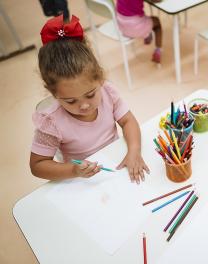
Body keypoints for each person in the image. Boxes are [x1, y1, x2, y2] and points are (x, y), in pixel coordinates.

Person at [30, 15, 150, 184]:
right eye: (71, 101)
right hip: (82, 180)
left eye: (91, 94)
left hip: (117, 165)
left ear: (100, 78)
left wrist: (134, 151)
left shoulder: (108, 92)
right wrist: (72, 170)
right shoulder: (51, 122)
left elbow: (128, 121)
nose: (85, 105)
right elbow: (37, 165)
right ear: (53, 93)